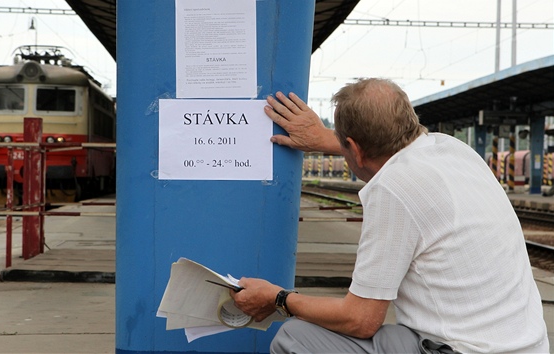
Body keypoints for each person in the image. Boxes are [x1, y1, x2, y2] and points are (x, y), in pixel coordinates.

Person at [230, 78, 549, 353]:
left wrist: (279, 298)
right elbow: (379, 151)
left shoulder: (393, 189)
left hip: (464, 350)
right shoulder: (454, 149)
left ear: (354, 148)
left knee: (294, 338)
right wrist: (326, 138)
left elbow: (361, 320)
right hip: (528, 345)